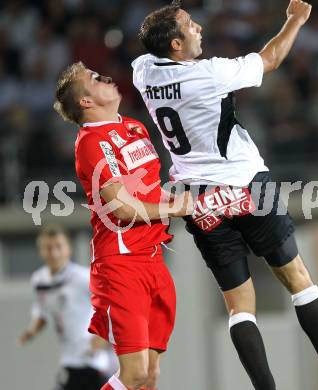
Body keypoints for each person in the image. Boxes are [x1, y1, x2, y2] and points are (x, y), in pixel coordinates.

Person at [132, 1, 318, 389]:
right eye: (190, 25)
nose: (199, 28)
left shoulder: (143, 71)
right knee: (298, 278)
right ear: (175, 44)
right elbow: (269, 59)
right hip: (245, 183)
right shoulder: (210, 74)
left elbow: (149, 59)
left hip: (196, 197)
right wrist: (294, 21)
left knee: (239, 307)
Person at [53, 61, 192, 390]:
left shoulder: (134, 127)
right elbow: (124, 208)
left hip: (153, 258)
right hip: (121, 262)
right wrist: (175, 207)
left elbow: (150, 189)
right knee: (134, 374)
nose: (106, 77)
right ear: (86, 101)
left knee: (150, 377)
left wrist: (184, 200)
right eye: (95, 78)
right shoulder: (90, 143)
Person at [18, 225, 112, 390]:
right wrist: (31, 331)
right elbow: (43, 310)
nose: (54, 253)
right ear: (41, 251)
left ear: (69, 249)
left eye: (58, 247)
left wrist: (103, 336)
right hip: (70, 359)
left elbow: (114, 302)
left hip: (93, 361)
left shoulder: (83, 277)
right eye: (48, 248)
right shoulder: (39, 280)